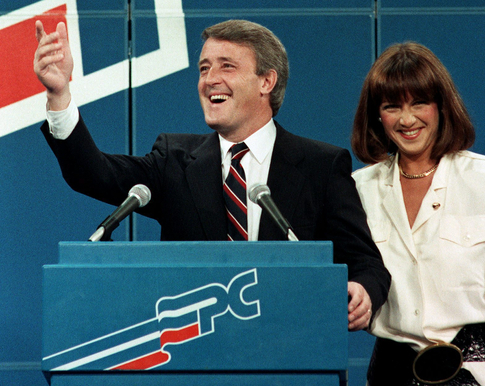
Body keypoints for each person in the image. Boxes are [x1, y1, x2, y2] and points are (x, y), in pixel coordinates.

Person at [34, 19, 391, 331]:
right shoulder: (175, 159)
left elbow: (366, 263)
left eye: (227, 67)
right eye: (204, 68)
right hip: (195, 357)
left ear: (267, 81)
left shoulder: (320, 165)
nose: (210, 80)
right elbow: (92, 174)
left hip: (291, 352)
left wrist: (363, 291)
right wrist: (59, 93)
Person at [351, 41, 485, 385]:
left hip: (477, 372)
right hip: (389, 374)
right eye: (392, 106)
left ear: (441, 106)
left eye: (419, 103)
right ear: (377, 116)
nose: (407, 119)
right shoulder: (358, 189)